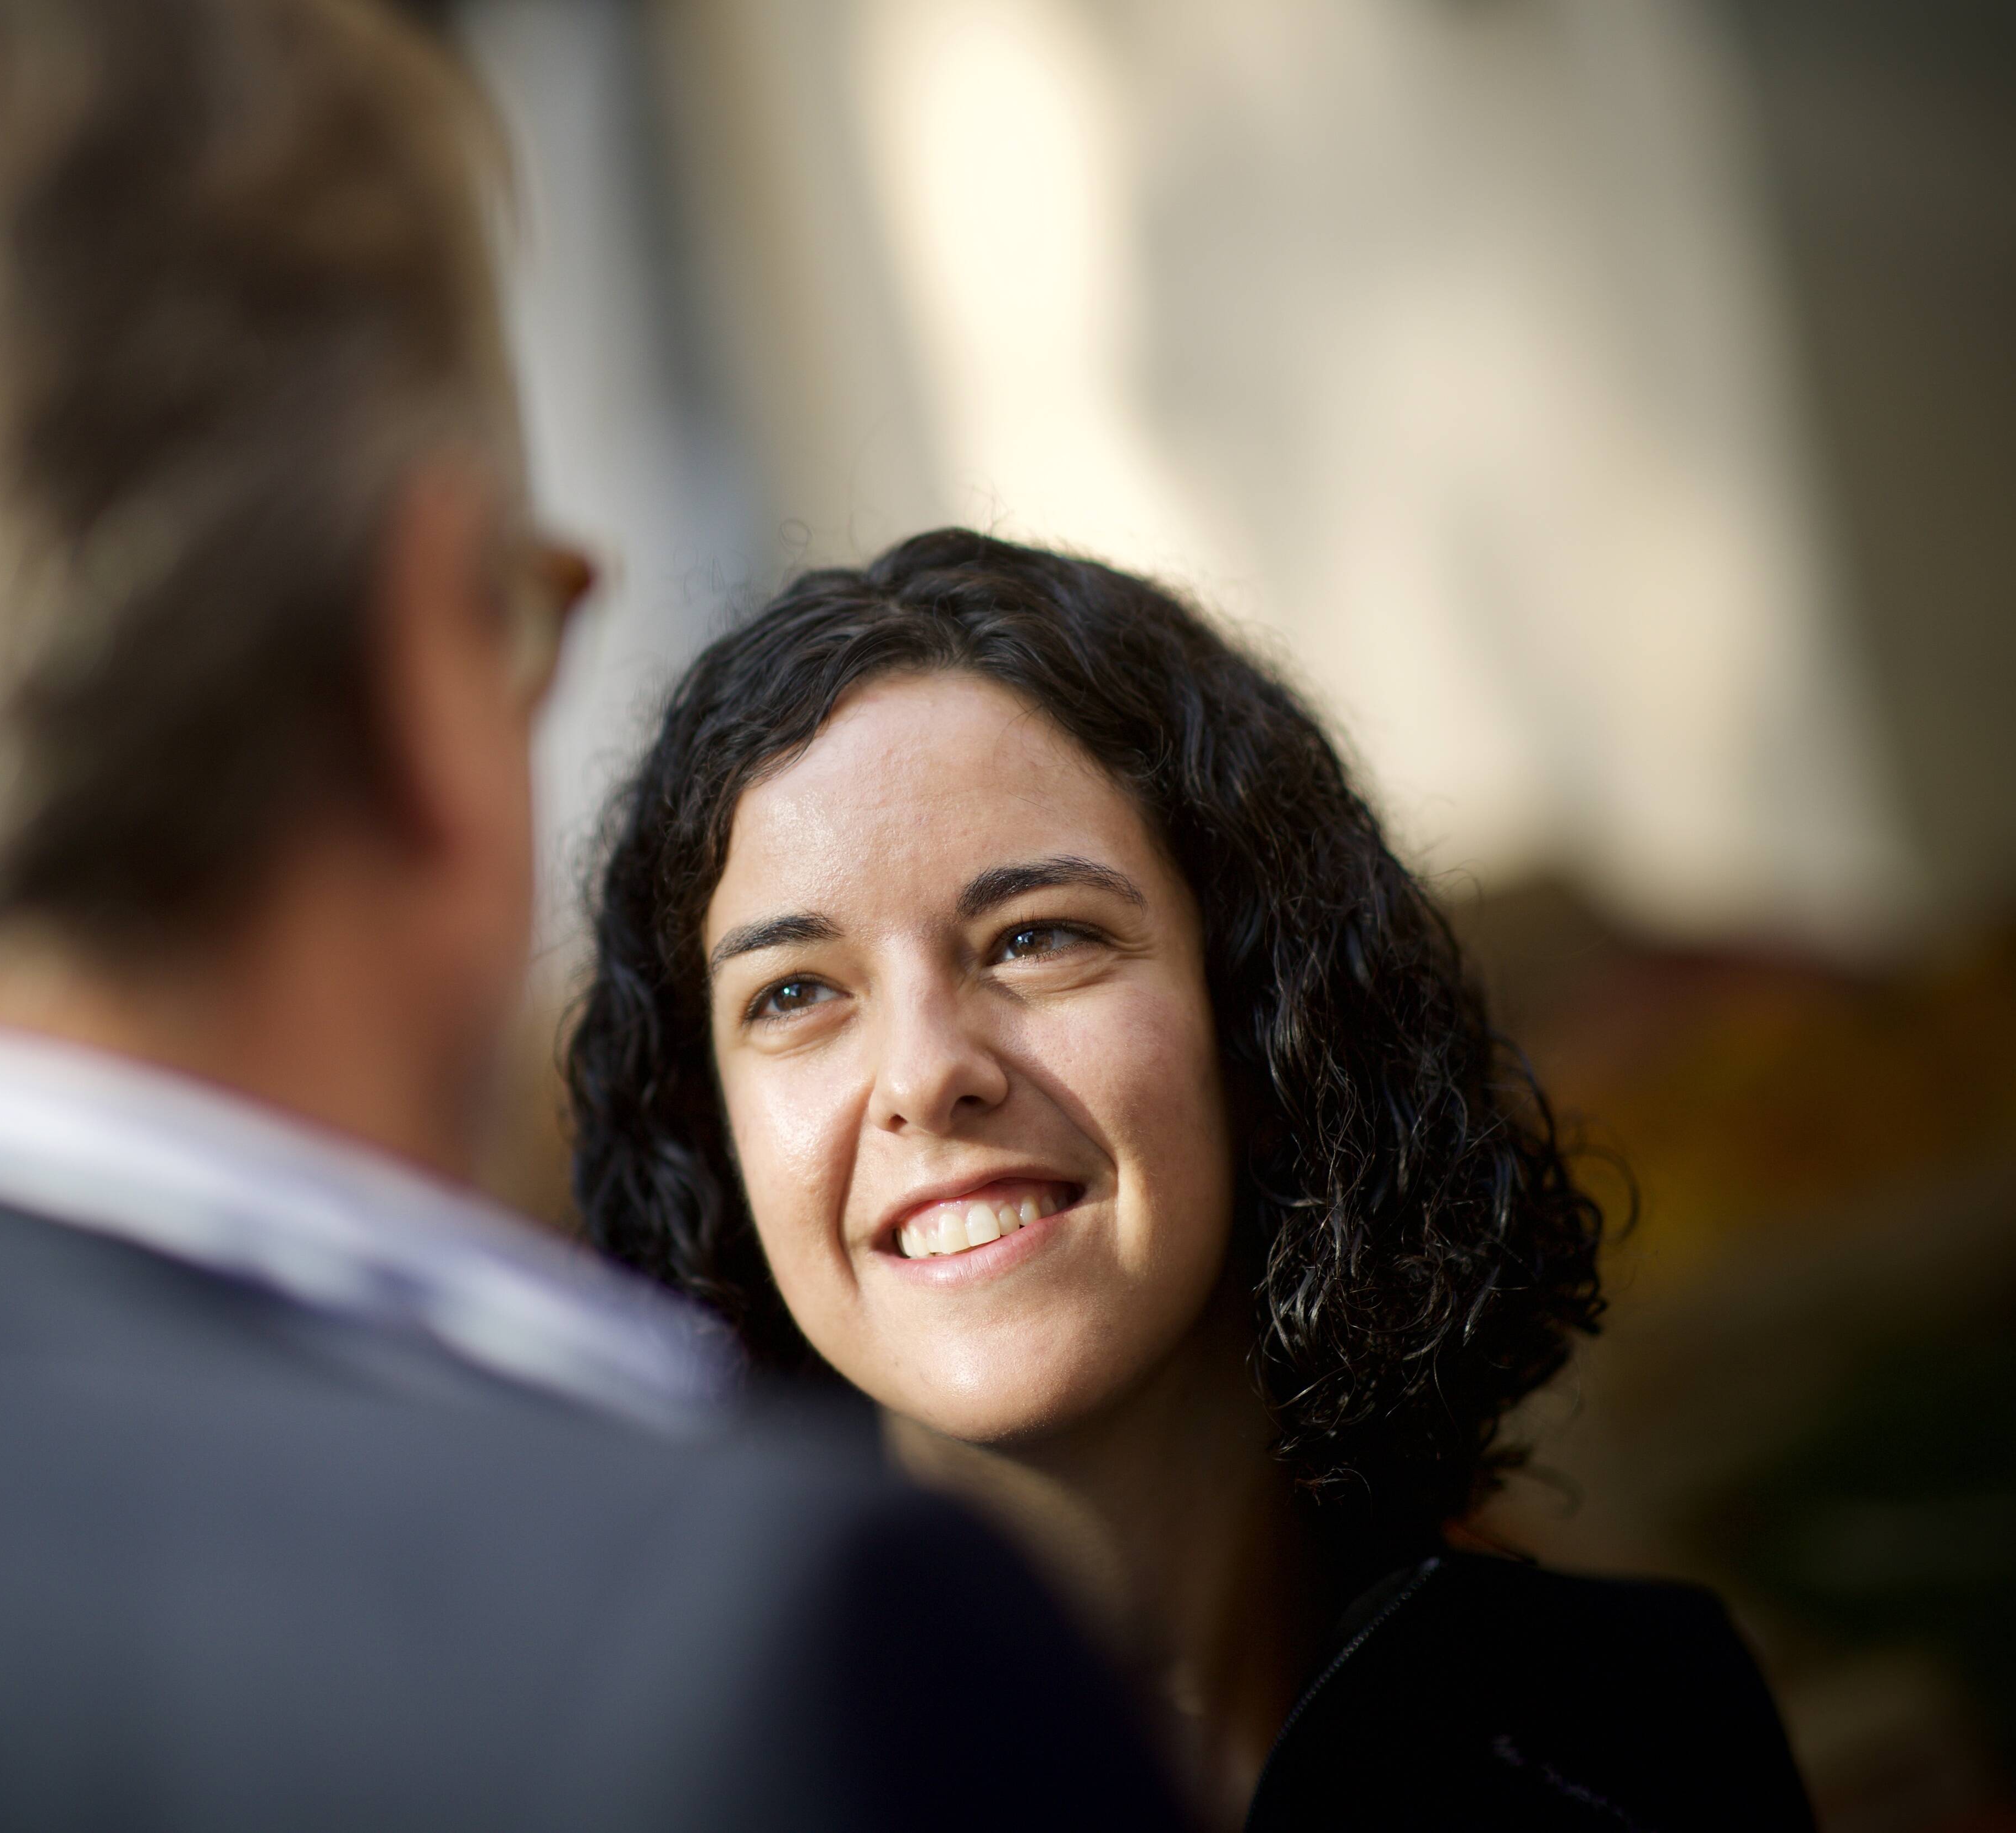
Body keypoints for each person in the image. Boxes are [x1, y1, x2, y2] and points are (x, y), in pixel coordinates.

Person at [0, 6, 1190, 1829]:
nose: (925, 1072)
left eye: (1044, 936)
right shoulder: (743, 1655)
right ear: (424, 643)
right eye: (521, 603)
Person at [568, 528, 1819, 1831]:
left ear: (1271, 1027)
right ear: (712, 1136)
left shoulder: (1644, 1732)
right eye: (797, 992)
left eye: (1038, 937)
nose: (926, 1072)